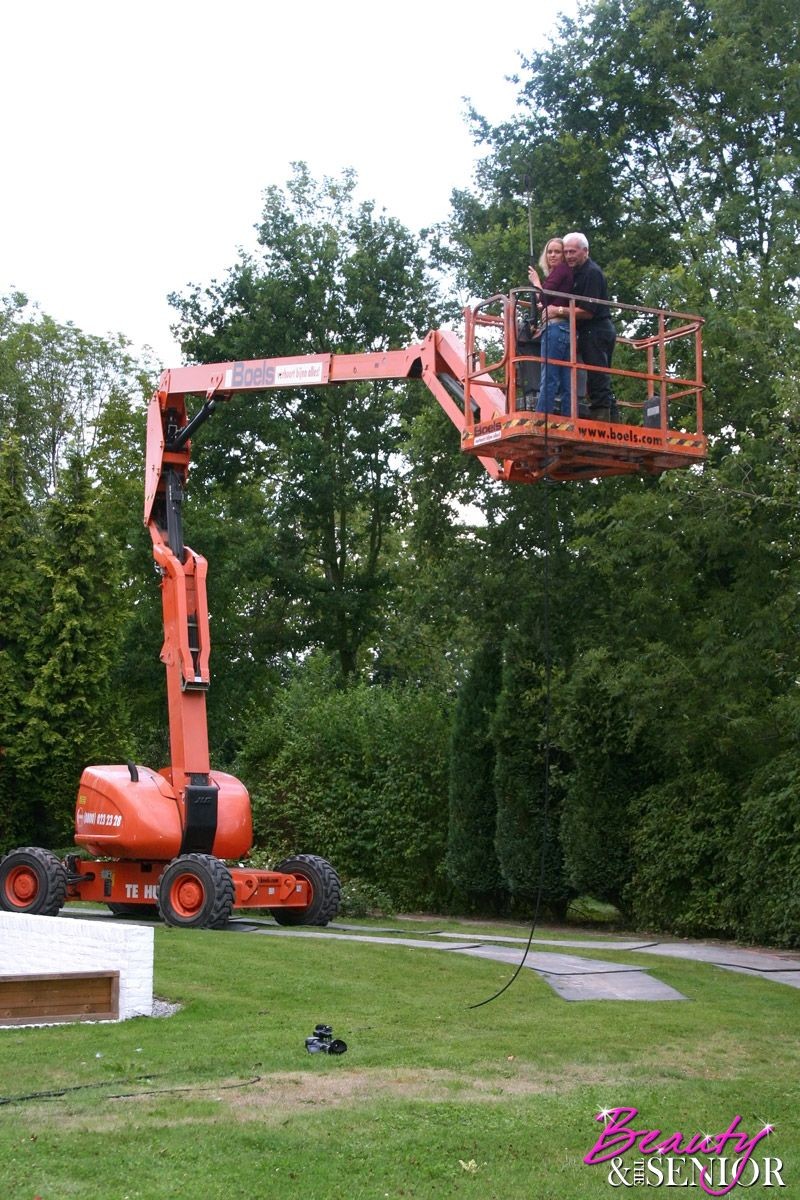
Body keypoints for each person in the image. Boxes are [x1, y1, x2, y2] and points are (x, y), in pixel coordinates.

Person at [559, 232, 617, 422]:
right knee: (597, 376)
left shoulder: (592, 272)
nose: (569, 256)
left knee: (598, 376)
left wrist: (557, 310)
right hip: (587, 331)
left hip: (597, 329)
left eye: (572, 251)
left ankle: (603, 420)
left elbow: (587, 310)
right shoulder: (572, 272)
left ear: (585, 251)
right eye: (566, 252)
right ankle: (609, 416)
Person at [527, 238, 573, 415]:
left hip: (555, 328)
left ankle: (541, 417)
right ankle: (568, 417)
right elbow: (551, 298)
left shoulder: (560, 270)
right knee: (565, 379)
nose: (553, 255)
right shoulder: (563, 272)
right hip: (564, 329)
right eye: (550, 252)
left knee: (549, 376)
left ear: (563, 255)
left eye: (557, 252)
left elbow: (544, 296)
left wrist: (536, 283)